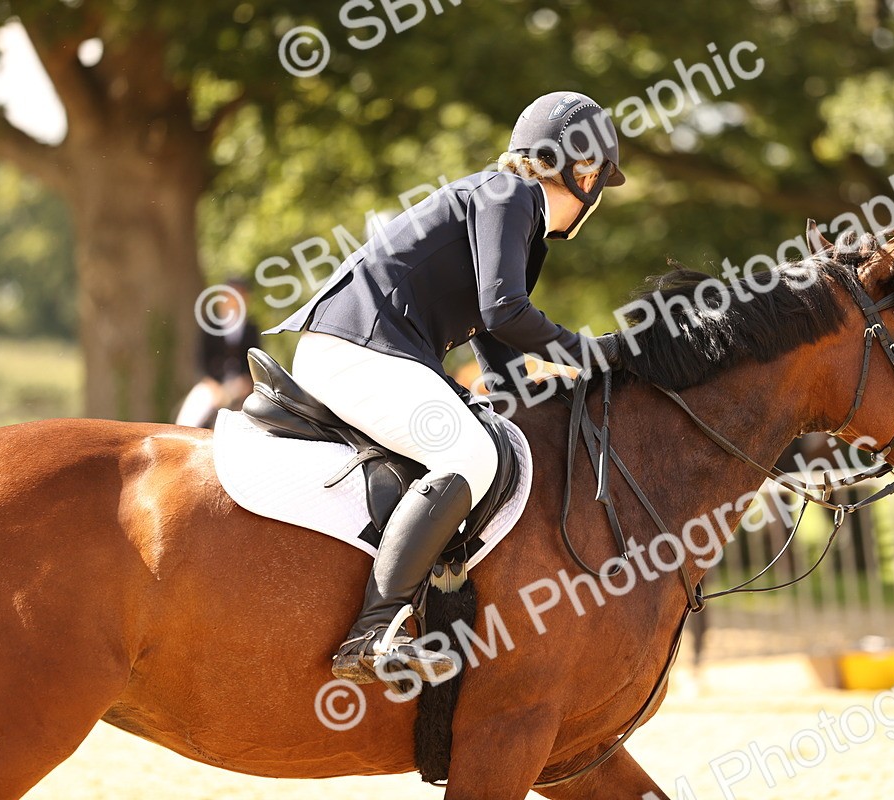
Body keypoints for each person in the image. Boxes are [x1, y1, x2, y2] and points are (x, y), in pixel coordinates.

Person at [265, 91, 626, 688]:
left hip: (368, 350)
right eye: (599, 181)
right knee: (468, 454)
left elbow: (496, 340)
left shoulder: (509, 210)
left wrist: (551, 406)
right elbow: (506, 309)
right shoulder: (511, 196)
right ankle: (372, 632)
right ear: (584, 174)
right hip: (358, 350)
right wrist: (591, 354)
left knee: (491, 441)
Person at [176, 278, 260, 428]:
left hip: (242, 384)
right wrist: (214, 387)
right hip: (213, 384)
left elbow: (255, 360)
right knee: (188, 418)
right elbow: (201, 360)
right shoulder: (209, 327)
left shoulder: (251, 328)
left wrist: (246, 382)